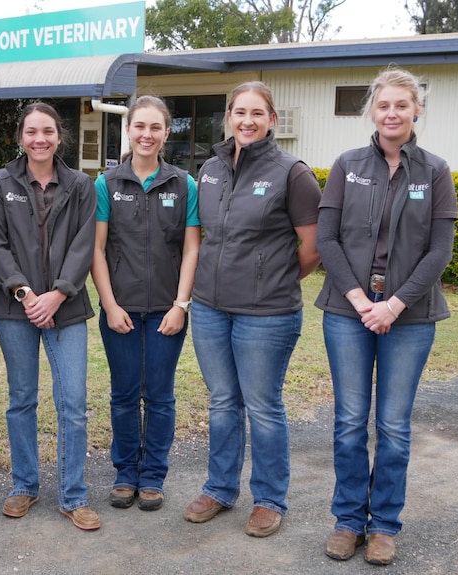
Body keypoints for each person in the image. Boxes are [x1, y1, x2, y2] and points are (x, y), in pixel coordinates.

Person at [316, 67, 458, 565]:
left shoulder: (434, 171)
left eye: (402, 104)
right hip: (347, 313)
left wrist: (394, 305)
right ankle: (349, 520)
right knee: (350, 421)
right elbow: (326, 240)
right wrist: (360, 301)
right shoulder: (347, 164)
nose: (392, 113)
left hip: (411, 317)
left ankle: (384, 526)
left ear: (417, 109)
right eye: (383, 105)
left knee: (394, 426)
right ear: (371, 112)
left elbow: (440, 250)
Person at [183, 81, 321, 537]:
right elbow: (200, 236)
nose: (247, 121)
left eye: (257, 113)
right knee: (223, 402)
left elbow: (312, 247)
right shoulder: (209, 169)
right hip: (209, 308)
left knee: (262, 406)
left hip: (267, 313)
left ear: (272, 120)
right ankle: (220, 489)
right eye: (239, 112)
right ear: (228, 117)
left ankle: (268, 499)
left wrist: (272, 279)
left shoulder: (292, 172)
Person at [0, 103, 101, 531]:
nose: (40, 139)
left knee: (73, 403)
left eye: (47, 131)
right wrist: (26, 293)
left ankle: (73, 495)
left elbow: (84, 244)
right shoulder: (0, 183)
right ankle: (24, 486)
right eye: (31, 131)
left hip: (66, 308)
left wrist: (57, 295)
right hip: (14, 308)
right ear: (21, 137)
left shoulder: (82, 184)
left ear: (59, 136)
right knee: (22, 400)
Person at [91, 95, 201, 512]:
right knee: (122, 394)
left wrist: (181, 305)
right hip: (119, 310)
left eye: (155, 127)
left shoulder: (184, 184)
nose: (147, 135)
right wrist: (109, 304)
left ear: (166, 133)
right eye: (140, 126)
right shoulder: (106, 183)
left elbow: (191, 249)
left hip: (165, 312)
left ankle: (152, 475)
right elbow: (97, 251)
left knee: (159, 396)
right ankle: (124, 474)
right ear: (129, 129)